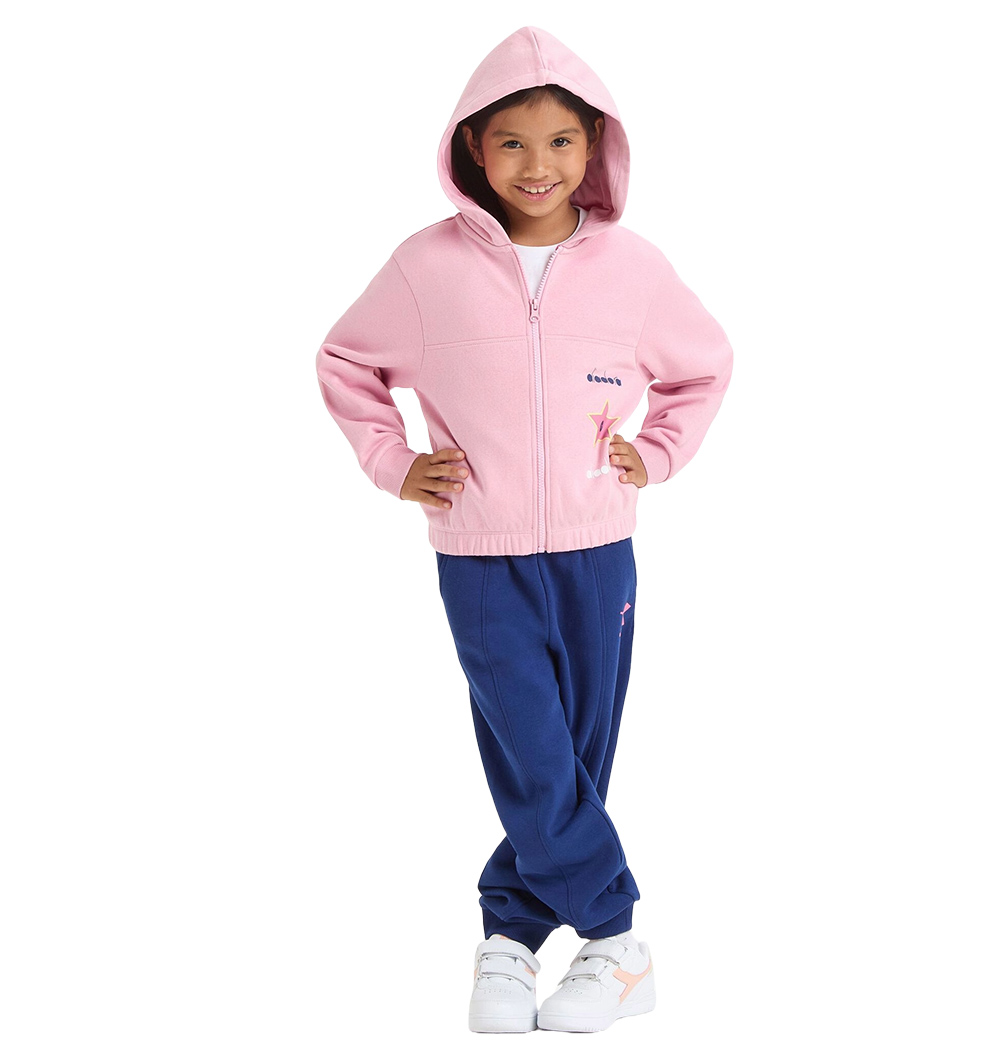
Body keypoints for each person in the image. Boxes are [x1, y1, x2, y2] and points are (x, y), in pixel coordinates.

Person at [315, 25, 733, 1034]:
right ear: (473, 147)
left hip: (598, 548)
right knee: (532, 748)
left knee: (574, 754)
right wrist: (394, 463)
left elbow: (704, 366)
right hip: (479, 550)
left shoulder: (634, 269)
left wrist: (658, 452)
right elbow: (345, 360)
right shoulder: (426, 267)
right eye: (511, 142)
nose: (536, 166)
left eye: (560, 142)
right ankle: (618, 940)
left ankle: (509, 929)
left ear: (595, 148)